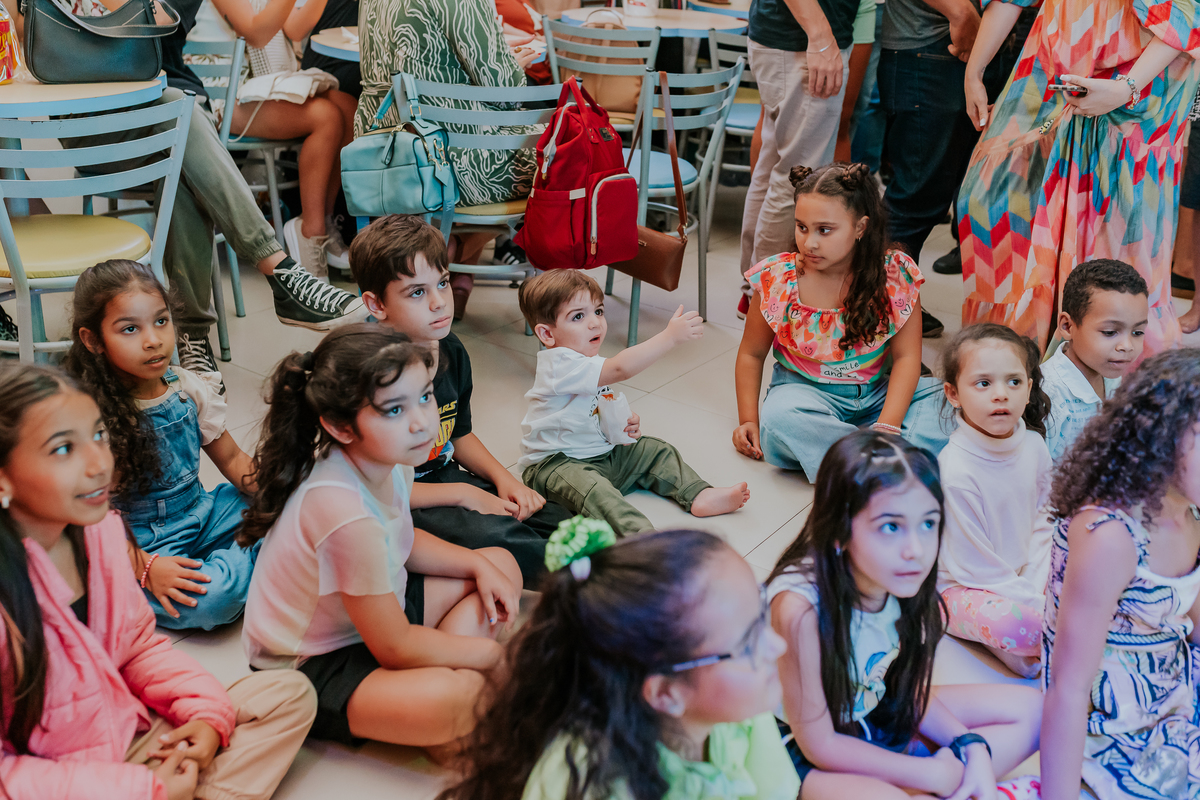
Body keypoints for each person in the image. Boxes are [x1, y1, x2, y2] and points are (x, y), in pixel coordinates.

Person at [3, 0, 370, 378]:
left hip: (168, 116)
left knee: (179, 140)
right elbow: (22, 39)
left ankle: (194, 338)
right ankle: (277, 277)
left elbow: (155, 22)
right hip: (97, 133)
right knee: (181, 124)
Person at [0, 362, 316, 800]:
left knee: (289, 694)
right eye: (62, 449)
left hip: (134, 735)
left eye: (98, 436)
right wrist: (142, 789)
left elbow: (138, 649)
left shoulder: (102, 533)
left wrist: (205, 718)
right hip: (63, 782)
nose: (99, 464)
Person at [240, 325, 522, 752]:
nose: (421, 422)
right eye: (394, 410)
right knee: (454, 699)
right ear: (340, 426)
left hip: (376, 617)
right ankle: (443, 702)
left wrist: (477, 565)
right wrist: (493, 659)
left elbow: (400, 543)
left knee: (501, 563)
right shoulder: (340, 509)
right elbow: (393, 645)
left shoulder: (389, 458)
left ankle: (438, 699)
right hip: (311, 665)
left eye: (425, 396)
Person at [437, 520, 801, 800]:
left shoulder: (740, 716)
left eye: (762, 613)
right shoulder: (586, 782)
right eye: (748, 642)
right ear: (665, 693)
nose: (778, 646)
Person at [769, 429, 1043, 799]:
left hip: (875, 714)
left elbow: (904, 685)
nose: (916, 549)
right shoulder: (798, 609)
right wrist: (928, 772)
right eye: (891, 527)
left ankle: (949, 782)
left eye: (928, 523)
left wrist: (969, 745)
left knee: (1037, 709)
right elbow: (818, 743)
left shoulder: (904, 582)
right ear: (838, 531)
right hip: (803, 753)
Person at [957, 0, 1200, 354]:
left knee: (1109, 234)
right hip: (1050, 72)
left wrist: (1124, 88)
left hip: (1140, 86)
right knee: (991, 200)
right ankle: (1019, 347)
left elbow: (1186, 12)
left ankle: (1098, 362)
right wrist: (973, 71)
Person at [351, 215, 571, 586]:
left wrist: (506, 480)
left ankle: (606, 569)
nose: (440, 302)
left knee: (561, 520)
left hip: (443, 475)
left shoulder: (450, 348)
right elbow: (371, 487)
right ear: (376, 304)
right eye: (417, 292)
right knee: (503, 539)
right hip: (398, 501)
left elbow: (459, 433)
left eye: (443, 283)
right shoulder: (369, 373)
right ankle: (606, 587)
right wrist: (463, 495)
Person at [1040, 349, 1200, 800]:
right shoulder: (1112, 537)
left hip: (1173, 686)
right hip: (1115, 718)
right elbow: (1069, 690)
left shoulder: (1188, 514)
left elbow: (1194, 630)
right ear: (1161, 438)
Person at [62, 261, 257, 631]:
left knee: (282, 506)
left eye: (161, 321)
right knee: (214, 601)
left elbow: (232, 458)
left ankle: (236, 561)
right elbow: (89, 519)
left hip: (202, 512)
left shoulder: (186, 386)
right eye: (130, 329)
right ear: (93, 340)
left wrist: (286, 494)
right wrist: (147, 567)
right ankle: (253, 564)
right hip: (136, 542)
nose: (153, 340)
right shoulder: (88, 417)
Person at [733, 162, 950, 483]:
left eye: (824, 229)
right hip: (806, 393)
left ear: (860, 227)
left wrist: (888, 425)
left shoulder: (895, 274)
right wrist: (747, 419)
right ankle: (890, 464)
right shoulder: (776, 278)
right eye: (801, 227)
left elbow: (907, 359)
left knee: (946, 402)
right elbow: (751, 354)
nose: (810, 243)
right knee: (780, 421)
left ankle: (851, 459)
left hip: (878, 394)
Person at [517, 271, 750, 535]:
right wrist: (669, 337)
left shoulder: (586, 360)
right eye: (578, 316)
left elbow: (593, 406)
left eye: (599, 311)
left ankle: (698, 494)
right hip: (556, 467)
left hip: (600, 457)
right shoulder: (558, 364)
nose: (595, 323)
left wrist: (622, 422)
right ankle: (640, 535)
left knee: (655, 450)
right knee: (596, 491)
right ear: (547, 334)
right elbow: (620, 369)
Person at [355, 0, 540, 319]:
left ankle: (446, 252)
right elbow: (504, 87)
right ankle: (458, 263)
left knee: (486, 147)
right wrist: (514, 64)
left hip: (386, 151)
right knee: (555, 163)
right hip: (445, 162)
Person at [876, 0, 1034, 290]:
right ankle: (885, 310)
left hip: (983, 40)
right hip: (933, 43)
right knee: (916, 198)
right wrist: (960, 11)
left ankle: (895, 305)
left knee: (972, 188)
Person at [200, 0, 360, 279]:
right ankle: (310, 231)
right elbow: (257, 33)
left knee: (348, 107)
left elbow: (292, 28)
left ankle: (323, 219)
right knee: (326, 117)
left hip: (257, 87)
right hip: (220, 96)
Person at [936, 323, 1053, 679]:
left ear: (1029, 389)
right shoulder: (954, 471)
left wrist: (1034, 584)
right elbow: (975, 568)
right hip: (965, 585)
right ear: (953, 394)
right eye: (983, 383)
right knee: (1013, 623)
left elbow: (1046, 519)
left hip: (1022, 576)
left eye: (1014, 382)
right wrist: (1039, 605)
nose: (1001, 395)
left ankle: (1031, 641)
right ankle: (1024, 640)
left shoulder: (1033, 446)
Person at [736, 0, 858, 317]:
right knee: (796, 180)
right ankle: (767, 299)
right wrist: (820, 37)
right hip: (802, 40)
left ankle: (755, 290)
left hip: (791, 39)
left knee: (774, 170)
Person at [1041, 259, 1148, 462]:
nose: (1127, 345)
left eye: (1137, 332)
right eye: (1110, 332)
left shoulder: (1113, 376)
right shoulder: (1048, 396)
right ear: (1067, 326)